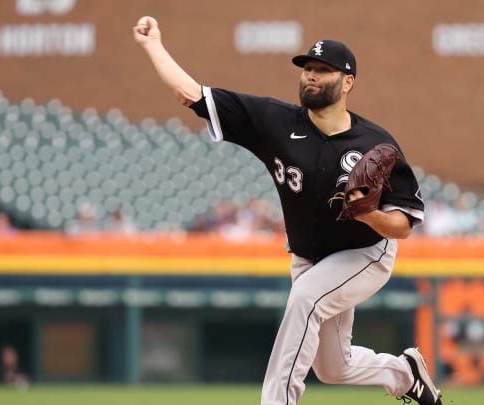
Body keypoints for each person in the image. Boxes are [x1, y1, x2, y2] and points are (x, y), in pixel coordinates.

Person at [133, 16, 439, 405]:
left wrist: (369, 214)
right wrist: (152, 45)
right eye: (307, 68)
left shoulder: (375, 143)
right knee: (334, 367)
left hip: (365, 253)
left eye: (323, 70)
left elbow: (403, 226)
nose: (311, 76)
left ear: (347, 82)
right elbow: (190, 94)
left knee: (305, 300)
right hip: (309, 258)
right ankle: (405, 373)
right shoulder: (275, 121)